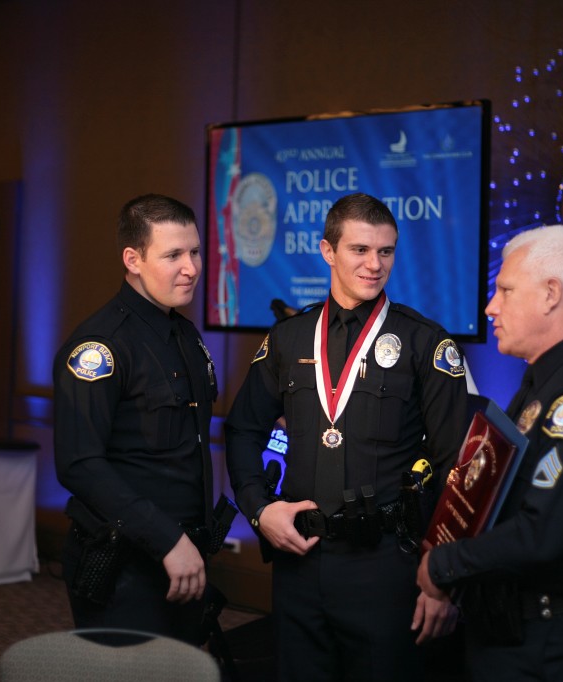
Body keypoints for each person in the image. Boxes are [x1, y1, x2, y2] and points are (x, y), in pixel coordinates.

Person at [225, 192, 471, 681]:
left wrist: (444, 578)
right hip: (300, 560)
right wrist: (258, 508)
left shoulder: (427, 342)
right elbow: (242, 430)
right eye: (360, 249)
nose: (375, 264)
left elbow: (457, 470)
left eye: (386, 251)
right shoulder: (289, 338)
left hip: (386, 565)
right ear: (327, 251)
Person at [416, 224, 563, 681]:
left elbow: (542, 534)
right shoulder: (547, 377)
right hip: (512, 629)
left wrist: (442, 566)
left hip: (546, 646)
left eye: (504, 290)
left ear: (550, 294)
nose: (491, 306)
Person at [54, 194, 217, 644]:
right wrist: (167, 540)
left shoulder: (183, 334)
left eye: (195, 252)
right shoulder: (99, 347)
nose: (192, 267)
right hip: (125, 563)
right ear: (133, 259)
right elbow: (79, 464)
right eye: (173, 255)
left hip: (185, 557)